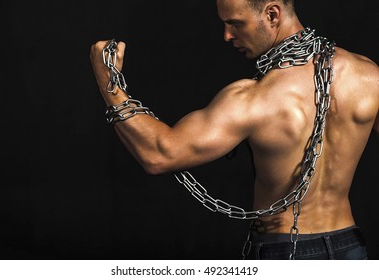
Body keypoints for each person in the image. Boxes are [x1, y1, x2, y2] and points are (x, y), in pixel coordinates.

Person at [90, 0, 379, 260]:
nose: (227, 35)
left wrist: (108, 83)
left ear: (272, 14)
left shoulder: (256, 97)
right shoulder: (369, 75)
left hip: (285, 251)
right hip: (350, 248)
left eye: (235, 23)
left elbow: (159, 154)